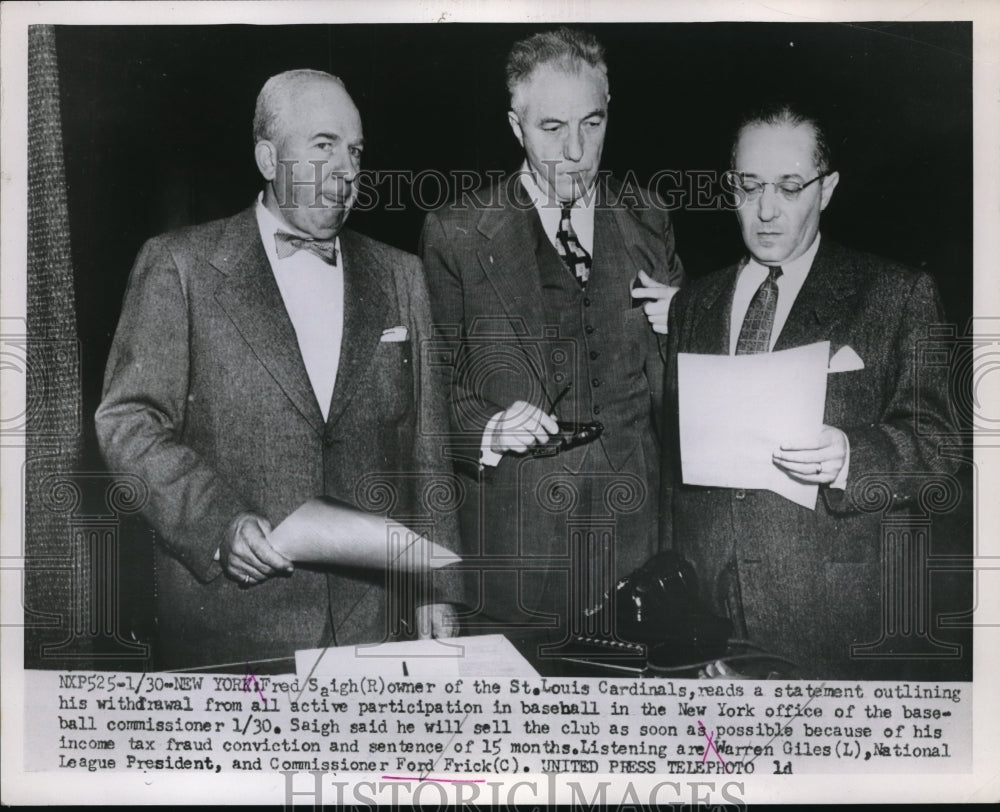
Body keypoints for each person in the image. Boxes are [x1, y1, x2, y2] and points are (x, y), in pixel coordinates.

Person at [96, 69, 459, 669]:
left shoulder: (401, 275)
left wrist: (435, 587)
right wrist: (218, 526)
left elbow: (427, 444)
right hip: (230, 630)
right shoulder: (178, 267)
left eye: (356, 151)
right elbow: (128, 422)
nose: (347, 169)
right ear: (269, 158)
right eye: (324, 145)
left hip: (372, 625)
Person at [665, 102, 956, 678]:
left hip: (831, 623)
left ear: (826, 190)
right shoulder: (695, 303)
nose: (766, 210)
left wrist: (854, 455)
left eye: (790, 187)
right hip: (707, 621)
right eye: (749, 186)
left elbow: (941, 445)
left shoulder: (896, 294)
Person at [420, 28, 684, 634]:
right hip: (516, 553)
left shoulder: (649, 217)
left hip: (637, 542)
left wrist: (685, 328)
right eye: (551, 128)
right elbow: (428, 396)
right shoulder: (457, 231)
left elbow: (676, 395)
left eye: (592, 124)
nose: (575, 151)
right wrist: (487, 427)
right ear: (516, 126)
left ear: (609, 110)